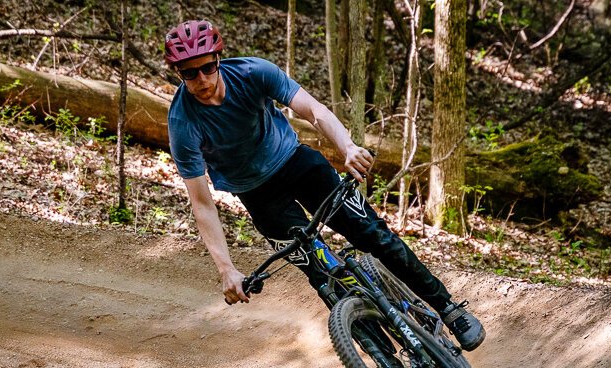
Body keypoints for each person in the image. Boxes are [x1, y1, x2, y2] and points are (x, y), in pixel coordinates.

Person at [162, 19, 485, 351]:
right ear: (178, 73)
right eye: (189, 73)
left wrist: (348, 147)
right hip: (258, 194)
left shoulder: (252, 72)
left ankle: (447, 308)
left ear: (218, 60)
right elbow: (202, 202)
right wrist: (226, 269)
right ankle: (382, 357)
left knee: (371, 232)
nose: (201, 79)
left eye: (207, 67)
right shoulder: (183, 122)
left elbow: (313, 110)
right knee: (319, 270)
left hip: (297, 164)